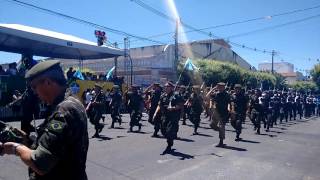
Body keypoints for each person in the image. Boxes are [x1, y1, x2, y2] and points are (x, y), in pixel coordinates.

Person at [0, 60, 89, 180]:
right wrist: (27, 140)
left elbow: (40, 163)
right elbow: (58, 146)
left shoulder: (64, 110)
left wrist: (14, 148)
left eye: (34, 87)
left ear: (47, 82)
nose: (35, 92)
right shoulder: (71, 102)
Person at [153, 82, 183, 154]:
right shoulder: (163, 95)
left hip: (173, 116)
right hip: (165, 116)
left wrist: (173, 108)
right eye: (165, 86)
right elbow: (159, 105)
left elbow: (180, 105)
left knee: (169, 131)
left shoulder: (176, 95)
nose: (166, 87)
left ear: (171, 87)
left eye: (167, 86)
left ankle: (169, 145)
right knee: (163, 131)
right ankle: (170, 138)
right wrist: (155, 113)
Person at [210, 82, 231, 147]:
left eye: (221, 87)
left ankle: (221, 142)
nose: (219, 88)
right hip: (216, 112)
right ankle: (221, 131)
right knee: (212, 125)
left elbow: (230, 103)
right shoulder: (216, 94)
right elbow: (207, 96)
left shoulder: (227, 95)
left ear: (224, 87)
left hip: (224, 113)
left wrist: (230, 109)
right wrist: (213, 89)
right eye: (218, 86)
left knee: (222, 126)